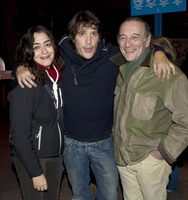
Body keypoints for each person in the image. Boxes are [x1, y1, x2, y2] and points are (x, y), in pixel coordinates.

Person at [15, 11, 175, 200]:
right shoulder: (61, 59)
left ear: (100, 37)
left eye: (93, 33)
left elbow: (137, 49)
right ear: (72, 38)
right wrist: (21, 67)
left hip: (105, 143)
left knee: (109, 195)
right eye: (82, 34)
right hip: (71, 144)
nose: (88, 41)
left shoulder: (112, 57)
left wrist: (158, 53)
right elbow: (37, 59)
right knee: (80, 194)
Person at [113, 17, 188, 200]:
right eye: (123, 37)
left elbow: (187, 122)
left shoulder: (167, 73)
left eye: (135, 37)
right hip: (123, 159)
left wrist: (162, 152)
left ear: (147, 40)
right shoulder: (119, 68)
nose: (127, 43)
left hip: (149, 161)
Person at [8, 25, 64, 200]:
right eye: (36, 47)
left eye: (47, 44)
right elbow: (18, 136)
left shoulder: (55, 76)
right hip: (33, 159)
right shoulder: (26, 84)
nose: (44, 51)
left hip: (55, 155)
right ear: (28, 51)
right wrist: (35, 172)